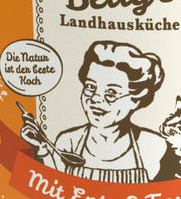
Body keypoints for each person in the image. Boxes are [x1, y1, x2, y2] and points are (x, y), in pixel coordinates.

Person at [20, 40, 166, 183]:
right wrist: (41, 148)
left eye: (111, 93)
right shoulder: (69, 141)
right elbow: (54, 187)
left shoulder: (152, 144)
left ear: (135, 99)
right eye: (90, 87)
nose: (95, 98)